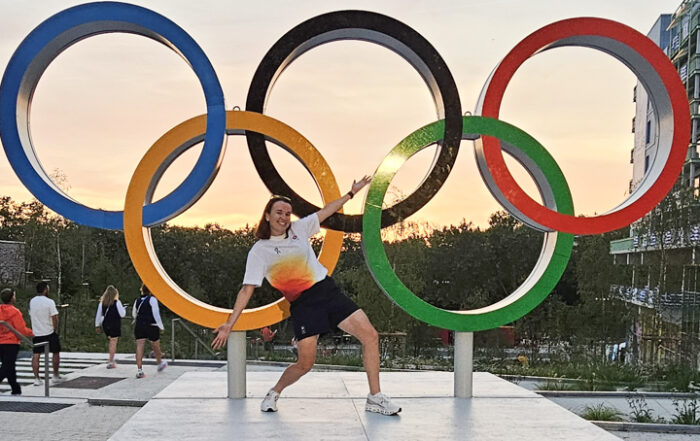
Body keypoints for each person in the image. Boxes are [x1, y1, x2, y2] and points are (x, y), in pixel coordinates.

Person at [212, 177, 401, 416]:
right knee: (305, 364)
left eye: (288, 213)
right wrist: (230, 324)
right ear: (268, 216)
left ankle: (375, 398)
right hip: (304, 305)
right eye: (279, 212)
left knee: (371, 336)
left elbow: (325, 212)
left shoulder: (299, 230)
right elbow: (246, 290)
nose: (284, 217)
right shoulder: (260, 251)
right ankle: (275, 391)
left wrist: (350, 194)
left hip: (327, 291)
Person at [0, 288, 33, 395]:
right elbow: (21, 329)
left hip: (0, 342)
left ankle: (15, 388)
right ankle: (15, 388)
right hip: (11, 343)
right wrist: (34, 332)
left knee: (9, 366)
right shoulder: (15, 312)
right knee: (7, 366)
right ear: (11, 298)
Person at [29, 282, 62, 385]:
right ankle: (55, 375)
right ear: (45, 290)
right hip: (49, 331)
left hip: (37, 332)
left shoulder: (32, 301)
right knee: (55, 352)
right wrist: (55, 328)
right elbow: (54, 317)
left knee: (36, 354)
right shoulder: (49, 302)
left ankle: (36, 378)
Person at [133, 284, 166, 378]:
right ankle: (160, 364)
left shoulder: (137, 301)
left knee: (140, 346)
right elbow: (156, 314)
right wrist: (161, 326)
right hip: (152, 325)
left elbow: (134, 314)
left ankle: (139, 370)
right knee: (156, 346)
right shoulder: (152, 300)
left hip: (139, 325)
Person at [95, 285, 126, 369]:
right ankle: (111, 361)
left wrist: (97, 325)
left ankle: (111, 359)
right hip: (115, 323)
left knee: (111, 340)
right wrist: (124, 309)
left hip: (106, 324)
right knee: (113, 341)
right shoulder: (117, 302)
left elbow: (98, 314)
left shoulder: (102, 303)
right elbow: (122, 314)